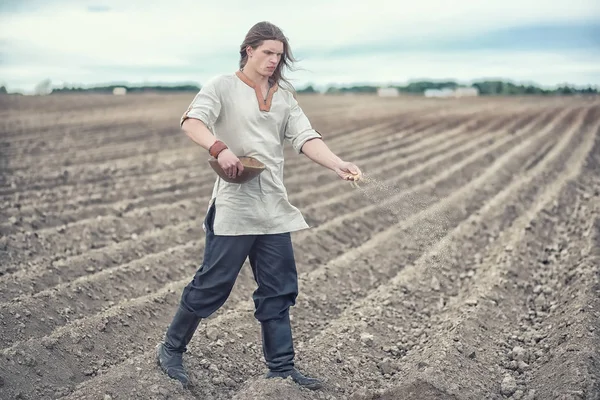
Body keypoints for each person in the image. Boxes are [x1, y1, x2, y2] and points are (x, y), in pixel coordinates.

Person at [156, 21, 362, 391]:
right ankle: (171, 349)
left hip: (272, 207)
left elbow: (305, 136)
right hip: (235, 205)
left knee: (279, 288)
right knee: (213, 284)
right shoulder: (222, 86)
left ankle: (282, 368)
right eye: (267, 52)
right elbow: (192, 122)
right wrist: (220, 148)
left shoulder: (283, 95)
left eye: (279, 55)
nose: (273, 60)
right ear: (248, 50)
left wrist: (337, 164)